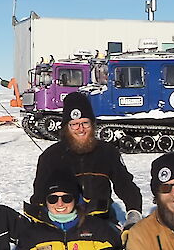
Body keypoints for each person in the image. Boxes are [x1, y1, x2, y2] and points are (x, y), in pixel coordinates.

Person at [32, 91, 145, 225]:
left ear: (93, 125)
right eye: (74, 124)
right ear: (66, 127)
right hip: (65, 224)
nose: (81, 129)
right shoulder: (50, 156)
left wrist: (134, 213)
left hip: (101, 220)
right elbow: (39, 193)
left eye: (85, 123)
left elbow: (125, 185)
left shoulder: (107, 152)